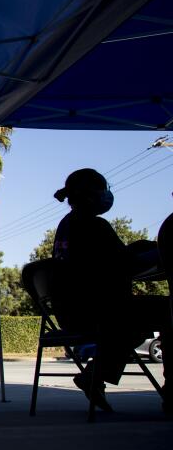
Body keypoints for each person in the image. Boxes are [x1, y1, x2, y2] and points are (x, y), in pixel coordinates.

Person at [51, 168, 171, 412]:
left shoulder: (68, 225)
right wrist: (161, 252)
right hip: (100, 311)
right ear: (90, 196)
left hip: (72, 312)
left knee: (135, 327)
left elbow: (110, 259)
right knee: (167, 310)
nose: (106, 195)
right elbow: (126, 264)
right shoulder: (94, 225)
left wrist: (132, 250)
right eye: (102, 190)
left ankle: (95, 374)